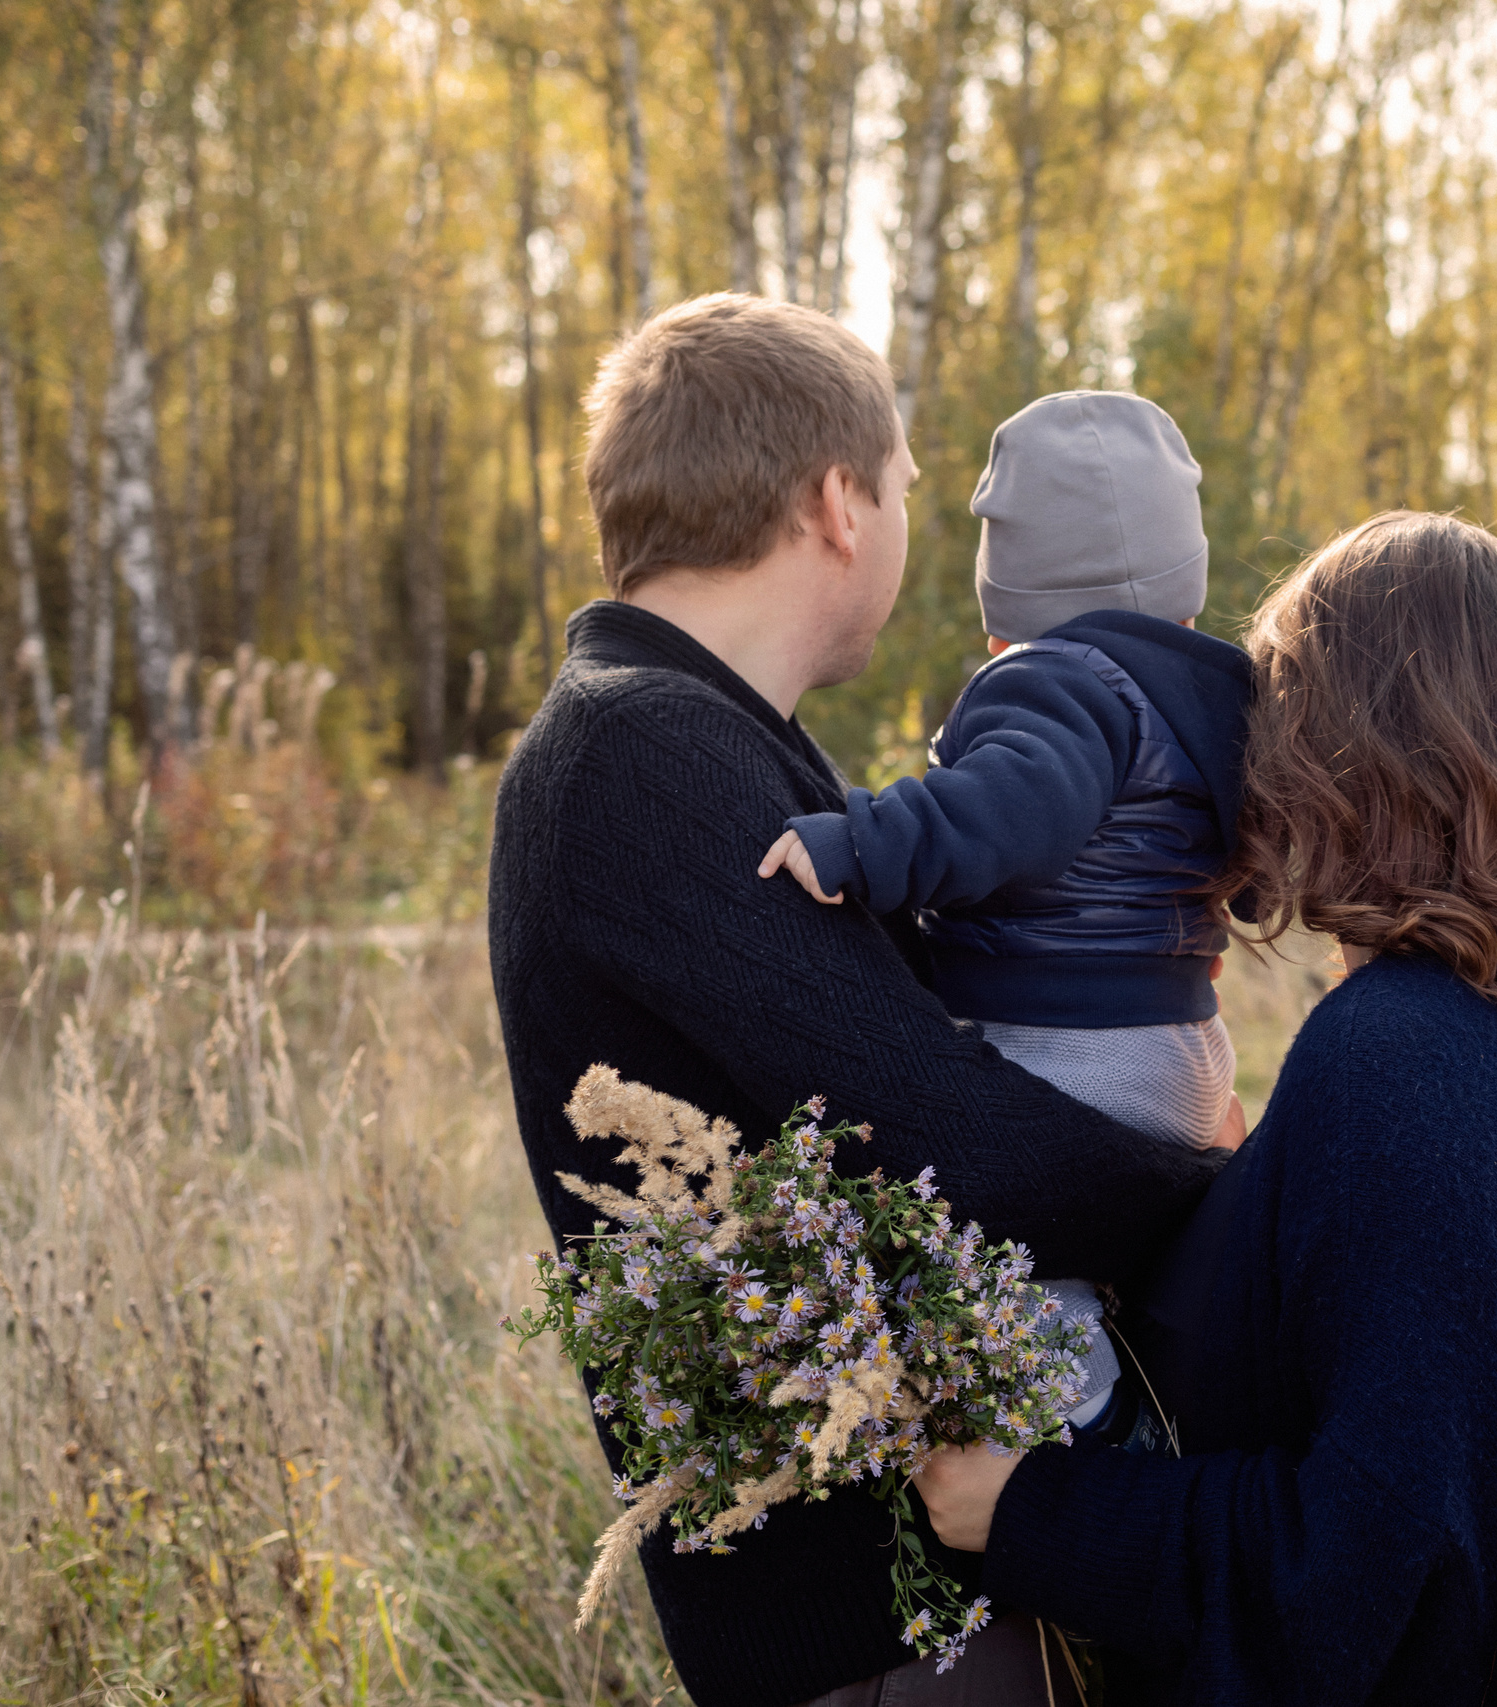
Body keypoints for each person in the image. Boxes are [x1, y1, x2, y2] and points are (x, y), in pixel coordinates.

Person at [487, 295, 1227, 1707]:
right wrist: (1228, 1181)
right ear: (837, 500)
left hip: (907, 1585)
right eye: (901, 486)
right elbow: (955, 1142)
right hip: (865, 1627)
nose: (906, 522)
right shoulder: (640, 754)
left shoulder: (703, 736)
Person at [914, 512, 1497, 1706]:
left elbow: (1365, 1556)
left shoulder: (1399, 1050)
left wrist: (1031, 1508)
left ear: (1339, 746)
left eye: (1271, 703)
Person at [756, 390, 1253, 1423]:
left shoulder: (1058, 683)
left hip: (1066, 1041)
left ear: (1007, 594)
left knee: (1000, 1259)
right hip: (1179, 1041)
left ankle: (1081, 1429)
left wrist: (863, 841)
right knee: (1112, 1257)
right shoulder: (1206, 700)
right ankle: (1174, 1399)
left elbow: (1013, 807)